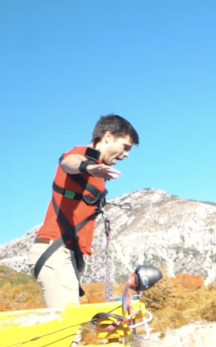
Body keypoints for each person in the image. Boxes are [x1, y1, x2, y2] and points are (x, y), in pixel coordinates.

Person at [26, 114, 139, 309]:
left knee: (71, 329)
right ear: (108, 137)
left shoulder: (98, 170)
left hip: (69, 255)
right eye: (125, 147)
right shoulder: (82, 155)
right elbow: (68, 162)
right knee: (68, 330)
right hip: (55, 250)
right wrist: (88, 167)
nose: (127, 154)